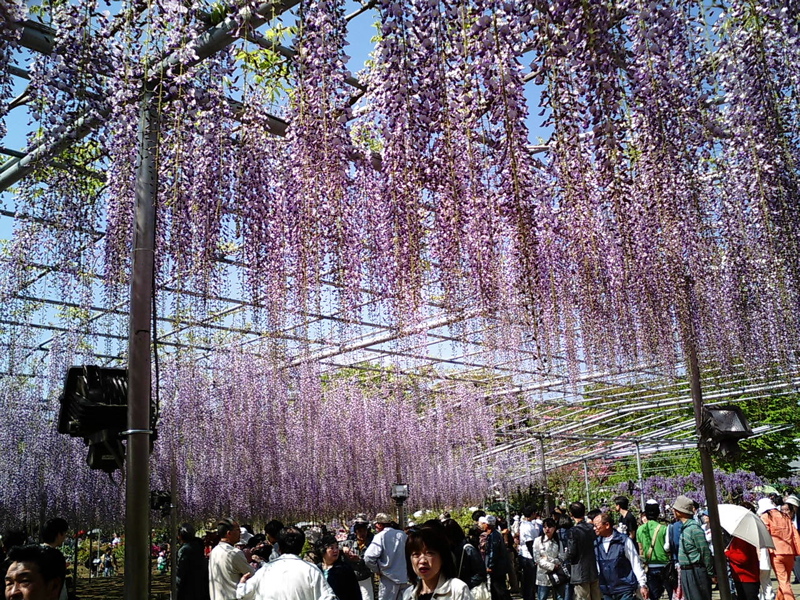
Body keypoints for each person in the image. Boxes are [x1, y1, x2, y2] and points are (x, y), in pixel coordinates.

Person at [236, 526, 336, 600]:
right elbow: (328, 597)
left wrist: (242, 584)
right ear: (301, 547)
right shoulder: (311, 570)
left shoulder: (264, 570)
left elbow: (243, 594)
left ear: (279, 548)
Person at [403, 525, 472, 600]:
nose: (422, 561)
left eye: (429, 553)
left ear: (442, 557)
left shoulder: (457, 589)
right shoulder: (408, 594)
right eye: (416, 554)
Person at [592, 512, 648, 600]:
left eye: (596, 525)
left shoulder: (623, 541)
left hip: (625, 589)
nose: (594, 528)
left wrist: (642, 584)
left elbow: (635, 563)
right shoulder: (596, 544)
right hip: (606, 591)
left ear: (607, 525)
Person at [672, 495, 714, 600]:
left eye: (675, 509)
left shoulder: (694, 529)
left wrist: (710, 573)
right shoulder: (685, 528)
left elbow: (705, 552)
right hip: (686, 571)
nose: (673, 511)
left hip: (695, 571)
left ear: (680, 511)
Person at [758, 497, 800, 600]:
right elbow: (795, 535)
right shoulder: (785, 516)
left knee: (784, 582)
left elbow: (764, 535)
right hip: (789, 552)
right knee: (785, 581)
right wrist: (797, 550)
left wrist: (761, 552)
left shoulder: (765, 516)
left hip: (776, 553)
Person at [364, 513, 409, 600]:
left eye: (376, 525)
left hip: (388, 578)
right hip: (404, 577)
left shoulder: (380, 536)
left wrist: (377, 570)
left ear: (380, 525)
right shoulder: (403, 535)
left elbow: (368, 557)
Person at [209, 518, 254, 600]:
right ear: (228, 533)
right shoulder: (233, 553)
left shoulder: (214, 551)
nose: (240, 532)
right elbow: (251, 574)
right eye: (237, 530)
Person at [636, 501, 670, 600]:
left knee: (654, 597)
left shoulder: (640, 530)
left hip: (650, 567)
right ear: (658, 513)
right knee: (671, 594)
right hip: (665, 566)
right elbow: (668, 548)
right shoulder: (664, 528)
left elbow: (641, 550)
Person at [566, 502, 600, 600]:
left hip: (579, 572)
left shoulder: (573, 531)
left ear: (571, 514)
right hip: (594, 569)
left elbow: (571, 552)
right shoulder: (592, 528)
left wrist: (562, 557)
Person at [442, 518, 487, 590]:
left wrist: (464, 585)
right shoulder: (450, 549)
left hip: (468, 590)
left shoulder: (467, 549)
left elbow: (480, 573)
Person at [317, 534, 361, 600]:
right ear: (322, 550)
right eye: (332, 548)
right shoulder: (317, 569)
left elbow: (355, 593)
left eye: (337, 547)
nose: (335, 551)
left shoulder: (344, 569)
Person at [533, 518, 567, 600]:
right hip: (543, 575)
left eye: (549, 527)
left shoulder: (558, 542)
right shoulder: (538, 541)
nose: (547, 529)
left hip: (557, 574)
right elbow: (537, 559)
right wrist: (552, 566)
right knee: (542, 597)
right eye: (545, 527)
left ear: (554, 528)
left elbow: (561, 558)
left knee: (560, 597)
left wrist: (548, 559)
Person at [342, 519, 376, 600]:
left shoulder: (371, 545)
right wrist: (343, 548)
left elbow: (372, 561)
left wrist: (359, 560)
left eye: (364, 531)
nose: (362, 533)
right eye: (360, 531)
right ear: (355, 532)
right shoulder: (349, 543)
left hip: (365, 577)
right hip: (352, 578)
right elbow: (336, 545)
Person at [177, 523, 210, 600]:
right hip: (201, 587)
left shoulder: (185, 550)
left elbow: (181, 573)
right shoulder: (198, 546)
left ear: (180, 536)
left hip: (188, 590)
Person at [482, 515, 512, 600]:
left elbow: (493, 551)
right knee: (495, 590)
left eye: (484, 523)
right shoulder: (495, 534)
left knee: (500, 590)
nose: (482, 525)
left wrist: (490, 566)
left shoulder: (494, 536)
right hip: (499, 567)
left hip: (497, 568)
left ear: (488, 525)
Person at [39, 519, 69, 600]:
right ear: (59, 534)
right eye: (64, 534)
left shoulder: (35, 551)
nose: (65, 538)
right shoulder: (55, 556)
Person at [724, 535, 759, 600]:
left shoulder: (741, 540)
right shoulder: (738, 539)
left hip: (746, 577)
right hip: (742, 577)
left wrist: (728, 553)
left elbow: (742, 558)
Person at [519, 506, 542, 600]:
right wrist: (535, 558)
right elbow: (529, 543)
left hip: (525, 554)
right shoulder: (528, 526)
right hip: (528, 556)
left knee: (528, 581)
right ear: (532, 513)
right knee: (529, 581)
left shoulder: (524, 524)